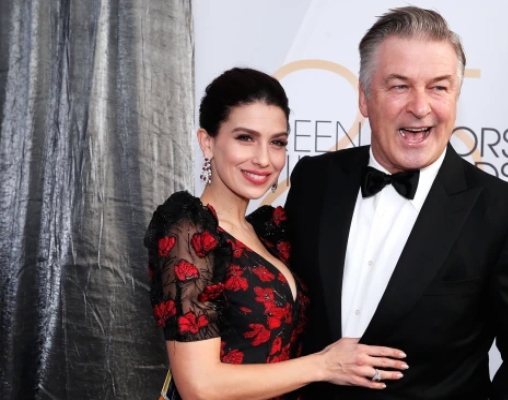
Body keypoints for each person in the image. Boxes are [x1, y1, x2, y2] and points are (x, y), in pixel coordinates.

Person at [284, 6, 508, 399]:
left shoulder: (503, 214)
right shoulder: (315, 180)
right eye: (400, 86)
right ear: (364, 98)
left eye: (438, 87)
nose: (420, 107)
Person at [144, 67, 407, 400]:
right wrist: (325, 365)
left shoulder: (268, 232)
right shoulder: (188, 231)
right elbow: (200, 386)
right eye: (245, 138)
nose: (263, 159)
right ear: (207, 142)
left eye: (277, 142)